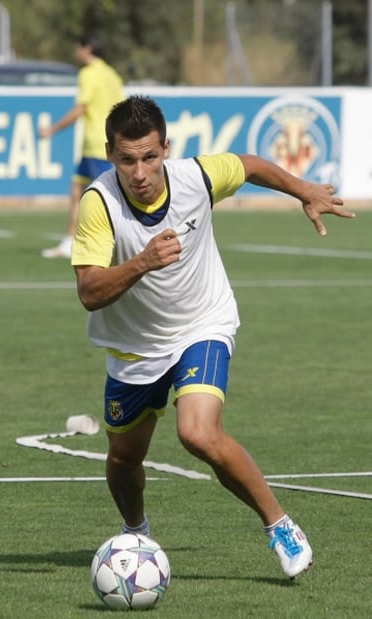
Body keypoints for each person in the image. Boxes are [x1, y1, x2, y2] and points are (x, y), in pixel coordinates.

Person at [71, 95, 355, 578]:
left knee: (197, 432)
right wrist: (142, 262)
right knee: (122, 458)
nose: (139, 173)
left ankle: (280, 524)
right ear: (110, 153)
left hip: (203, 322)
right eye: (126, 160)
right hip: (133, 347)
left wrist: (303, 189)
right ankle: (137, 533)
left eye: (149, 157)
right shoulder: (99, 203)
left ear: (166, 149)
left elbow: (249, 167)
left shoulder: (197, 177)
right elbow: (89, 292)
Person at [40, 32, 124, 258]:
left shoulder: (88, 74)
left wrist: (52, 129)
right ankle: (70, 242)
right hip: (105, 142)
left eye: (78, 47)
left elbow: (81, 109)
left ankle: (118, 242)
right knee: (77, 191)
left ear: (87, 49)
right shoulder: (113, 75)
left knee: (109, 197)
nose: (76, 52)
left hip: (96, 144)